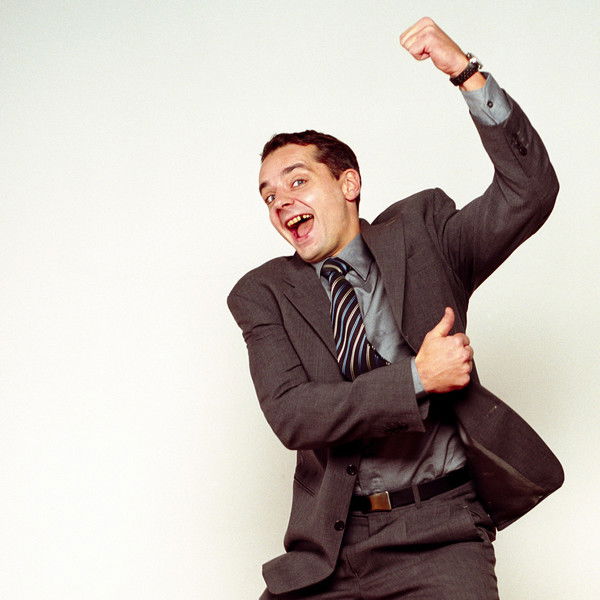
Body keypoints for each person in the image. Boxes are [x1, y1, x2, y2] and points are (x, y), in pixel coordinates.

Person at [228, 17, 564, 600]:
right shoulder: (263, 293)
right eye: (268, 195)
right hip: (330, 551)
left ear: (348, 184)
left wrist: (466, 74)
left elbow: (529, 192)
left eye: (297, 182)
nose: (281, 202)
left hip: (441, 535)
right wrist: (417, 378)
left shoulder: (424, 237)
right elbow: (294, 415)